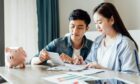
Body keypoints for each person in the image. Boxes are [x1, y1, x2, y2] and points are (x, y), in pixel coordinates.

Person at [85, 2, 139, 73]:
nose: (97, 27)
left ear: (111, 20)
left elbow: (131, 76)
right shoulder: (97, 41)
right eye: (96, 23)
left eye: (100, 22)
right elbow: (90, 62)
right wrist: (82, 63)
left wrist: (103, 69)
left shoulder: (126, 44)